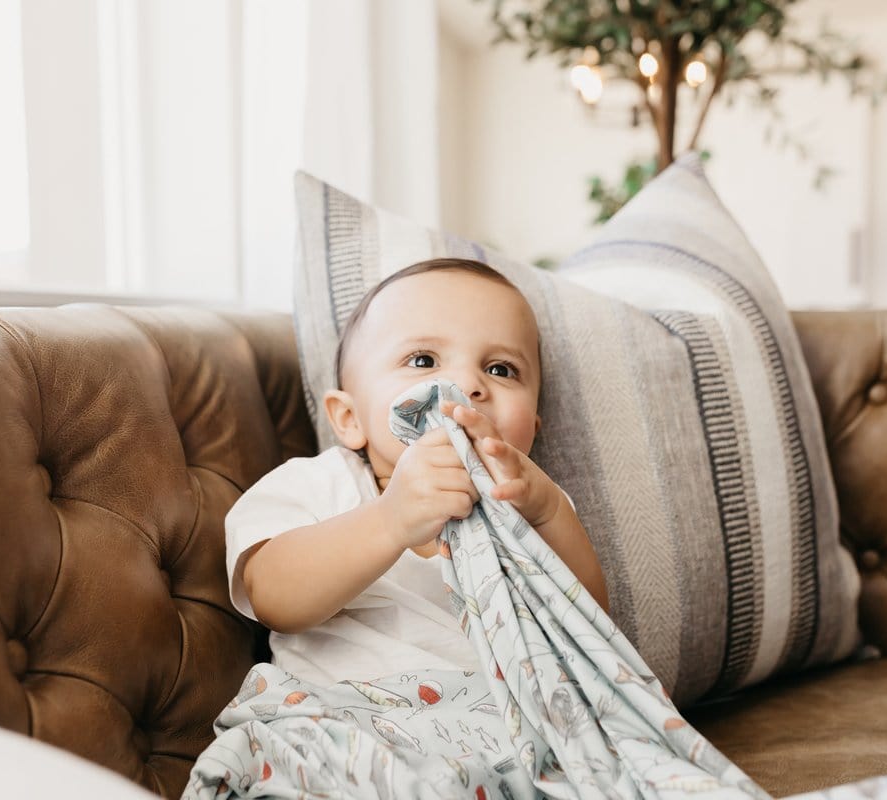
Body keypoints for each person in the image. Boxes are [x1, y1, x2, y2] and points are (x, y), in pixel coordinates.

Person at [224, 258, 609, 687]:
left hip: (504, 730)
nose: (467, 382)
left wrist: (550, 513)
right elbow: (273, 597)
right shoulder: (322, 483)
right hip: (351, 719)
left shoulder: (531, 502)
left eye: (500, 369)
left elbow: (592, 629)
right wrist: (391, 519)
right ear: (349, 418)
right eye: (423, 360)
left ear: (533, 430)